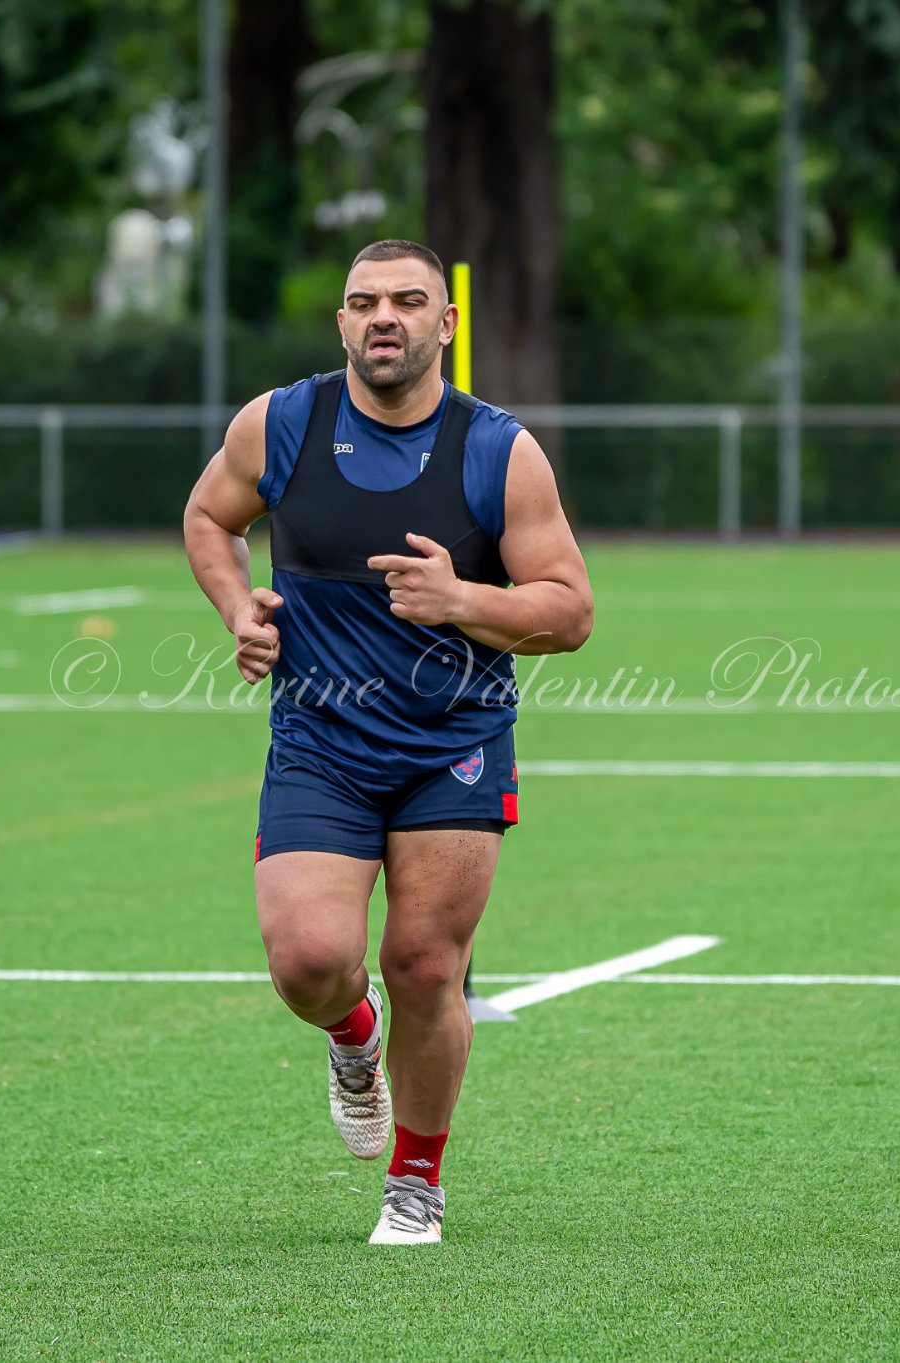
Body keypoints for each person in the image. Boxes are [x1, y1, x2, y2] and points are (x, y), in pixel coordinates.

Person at [182, 238, 593, 1244]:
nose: (383, 317)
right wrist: (239, 606)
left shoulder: (497, 449)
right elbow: (206, 515)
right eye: (363, 301)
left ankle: (415, 1181)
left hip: (451, 740)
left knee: (422, 965)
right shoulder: (280, 423)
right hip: (319, 740)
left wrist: (461, 598)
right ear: (340, 322)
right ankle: (350, 1035)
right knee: (308, 958)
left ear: (444, 323)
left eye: (407, 300)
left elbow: (569, 609)